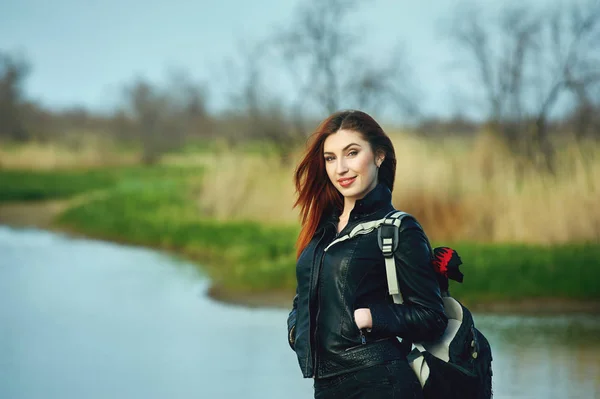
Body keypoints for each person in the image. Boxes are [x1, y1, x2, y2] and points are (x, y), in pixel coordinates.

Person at [287, 110, 448, 398]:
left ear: (379, 156)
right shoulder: (321, 230)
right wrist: (295, 330)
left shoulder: (399, 229)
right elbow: (304, 296)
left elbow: (432, 317)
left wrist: (373, 316)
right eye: (331, 158)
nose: (341, 169)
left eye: (352, 153)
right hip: (326, 385)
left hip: (379, 382)